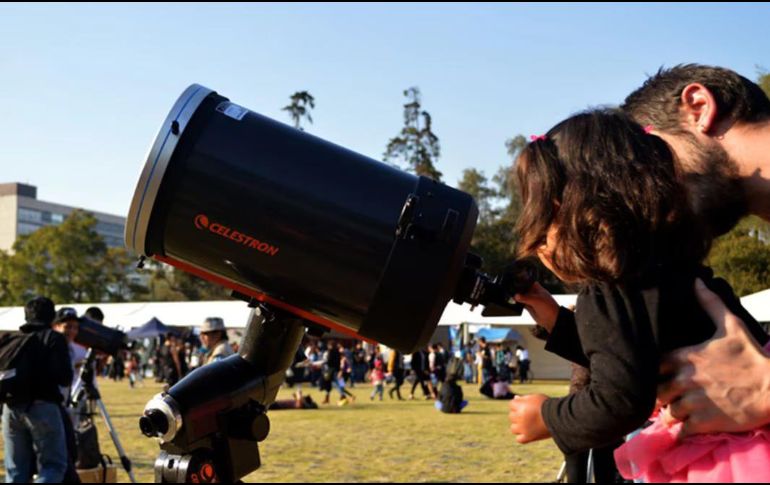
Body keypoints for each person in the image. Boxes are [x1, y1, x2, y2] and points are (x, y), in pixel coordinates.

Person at [507, 110, 770, 482]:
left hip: (710, 460)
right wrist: (554, 319)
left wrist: (548, 417)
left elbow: (621, 399)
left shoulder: (611, 289)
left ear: (569, 214)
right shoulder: (675, 273)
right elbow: (631, 356)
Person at [2, 297, 73, 483]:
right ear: (52, 317)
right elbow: (64, 378)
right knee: (52, 466)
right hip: (43, 407)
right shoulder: (53, 338)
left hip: (10, 409)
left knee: (15, 471)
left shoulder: (11, 339)